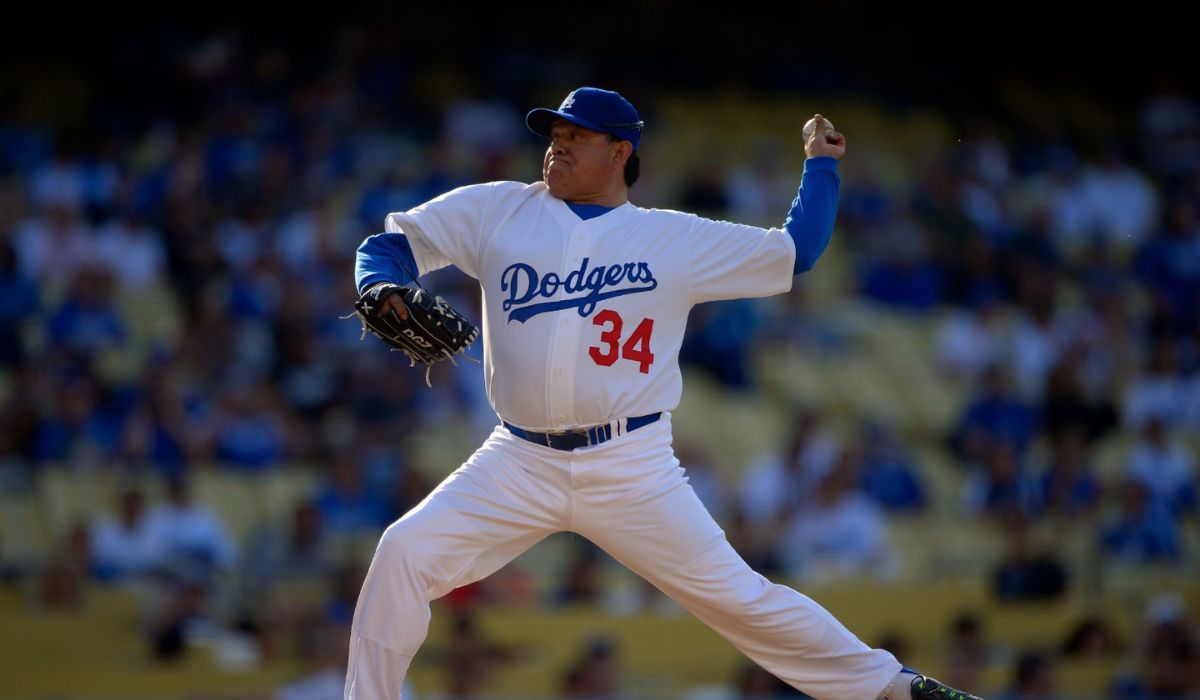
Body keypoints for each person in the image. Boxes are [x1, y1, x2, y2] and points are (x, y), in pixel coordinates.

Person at [345, 87, 983, 700]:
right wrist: (380, 286)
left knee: (740, 598)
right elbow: (392, 245)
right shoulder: (498, 210)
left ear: (620, 152)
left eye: (575, 137)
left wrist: (820, 166)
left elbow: (797, 252)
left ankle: (889, 688)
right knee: (402, 552)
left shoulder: (671, 237)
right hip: (518, 459)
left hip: (629, 465)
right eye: (553, 136)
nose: (556, 148)